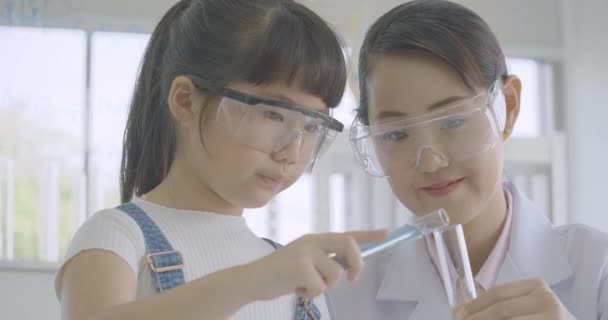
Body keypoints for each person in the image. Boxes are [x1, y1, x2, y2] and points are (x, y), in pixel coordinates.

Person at [54, 1, 387, 319]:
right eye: (272, 114)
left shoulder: (285, 271)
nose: (291, 153)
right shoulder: (118, 235)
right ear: (185, 101)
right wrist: (254, 281)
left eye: (313, 126)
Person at [327, 1, 608, 319]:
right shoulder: (344, 294)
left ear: (509, 106)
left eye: (452, 122)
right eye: (396, 134)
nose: (431, 163)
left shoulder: (597, 270)